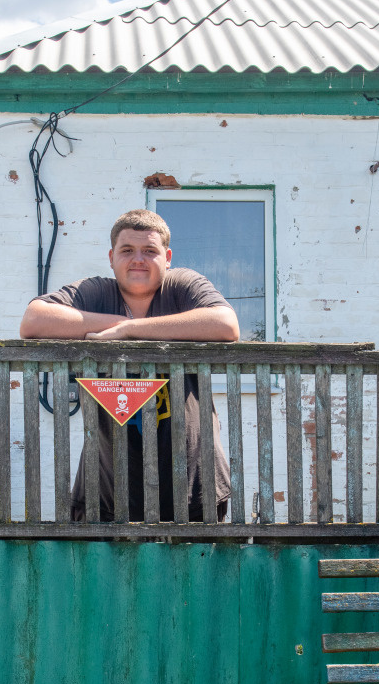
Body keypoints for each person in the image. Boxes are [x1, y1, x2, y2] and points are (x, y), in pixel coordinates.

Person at [20, 209, 240, 521]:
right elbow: (34, 319)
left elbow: (226, 324)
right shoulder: (96, 292)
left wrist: (132, 331)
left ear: (167, 257)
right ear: (111, 257)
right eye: (127, 250)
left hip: (192, 487)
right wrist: (124, 322)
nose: (138, 259)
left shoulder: (183, 286)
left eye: (150, 251)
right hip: (106, 489)